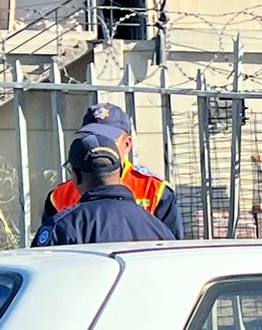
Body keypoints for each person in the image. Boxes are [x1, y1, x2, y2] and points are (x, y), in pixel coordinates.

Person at [41, 103, 182, 240]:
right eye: (90, 138)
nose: (98, 143)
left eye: (107, 139)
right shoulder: (60, 195)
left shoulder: (154, 190)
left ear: (127, 144)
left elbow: (170, 251)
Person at [34, 130, 175, 248]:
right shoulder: (158, 228)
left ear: (75, 175)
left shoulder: (62, 227)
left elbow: (42, 274)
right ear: (120, 171)